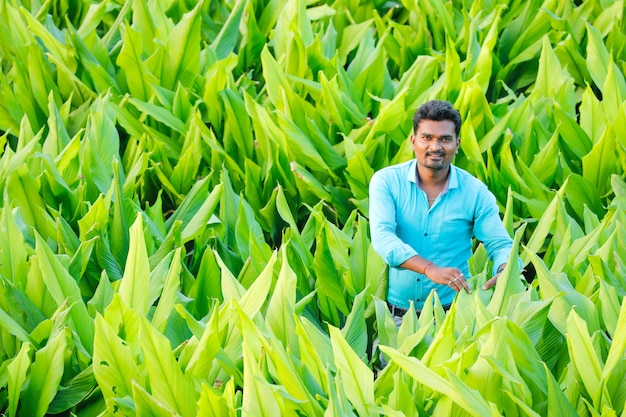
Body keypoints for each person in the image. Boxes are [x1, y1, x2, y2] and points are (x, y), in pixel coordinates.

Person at [369, 99, 516, 319]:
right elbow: (383, 238)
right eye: (427, 138)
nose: (435, 147)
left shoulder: (475, 192)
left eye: (445, 139)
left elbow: (501, 243)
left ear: (457, 144)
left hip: (454, 315)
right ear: (413, 141)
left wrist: (505, 270)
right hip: (398, 316)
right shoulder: (387, 181)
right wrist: (429, 268)